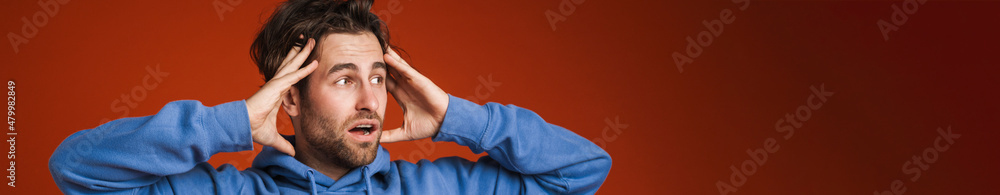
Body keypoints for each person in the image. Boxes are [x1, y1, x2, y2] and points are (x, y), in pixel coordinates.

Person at [48, 0, 611, 194]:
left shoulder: (443, 185)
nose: (371, 98)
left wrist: (457, 118)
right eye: (344, 79)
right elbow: (76, 169)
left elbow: (584, 170)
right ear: (290, 98)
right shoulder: (228, 189)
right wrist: (232, 124)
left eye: (377, 78)